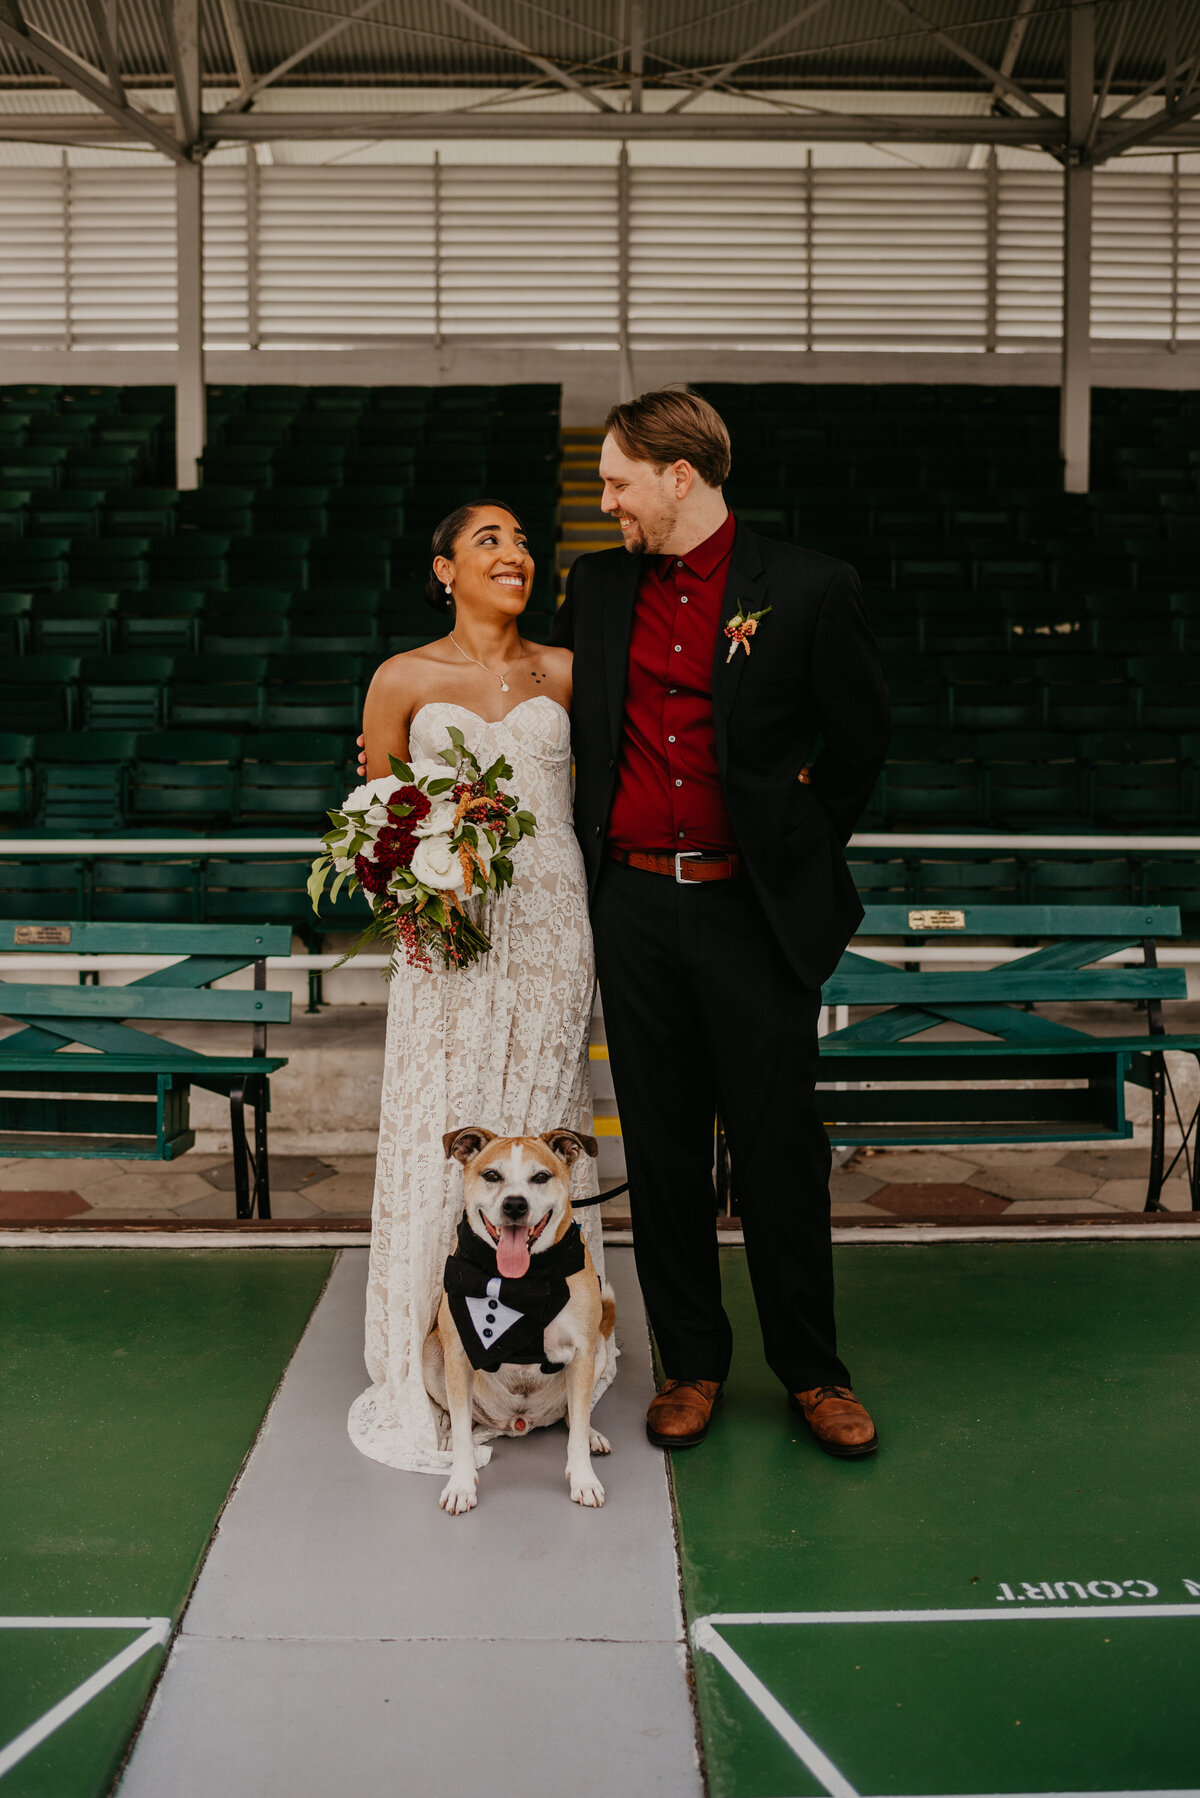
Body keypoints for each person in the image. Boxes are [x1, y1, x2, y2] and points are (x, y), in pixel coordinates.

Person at [551, 387, 890, 1457]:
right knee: (659, 1151)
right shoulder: (598, 588)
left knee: (779, 1146)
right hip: (635, 903)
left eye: (618, 481)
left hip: (751, 907)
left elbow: (861, 744)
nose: (608, 501)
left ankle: (813, 1371)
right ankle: (690, 1365)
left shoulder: (807, 586)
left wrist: (790, 845)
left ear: (678, 476)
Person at [347, 500, 616, 1476]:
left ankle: (550, 1347)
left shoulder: (571, 673)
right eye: (489, 540)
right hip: (447, 941)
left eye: (523, 540)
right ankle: (433, 1350)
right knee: (446, 1116)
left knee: (544, 1115)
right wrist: (419, 898)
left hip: (549, 924)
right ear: (444, 567)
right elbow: (375, 825)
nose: (515, 553)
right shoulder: (403, 679)